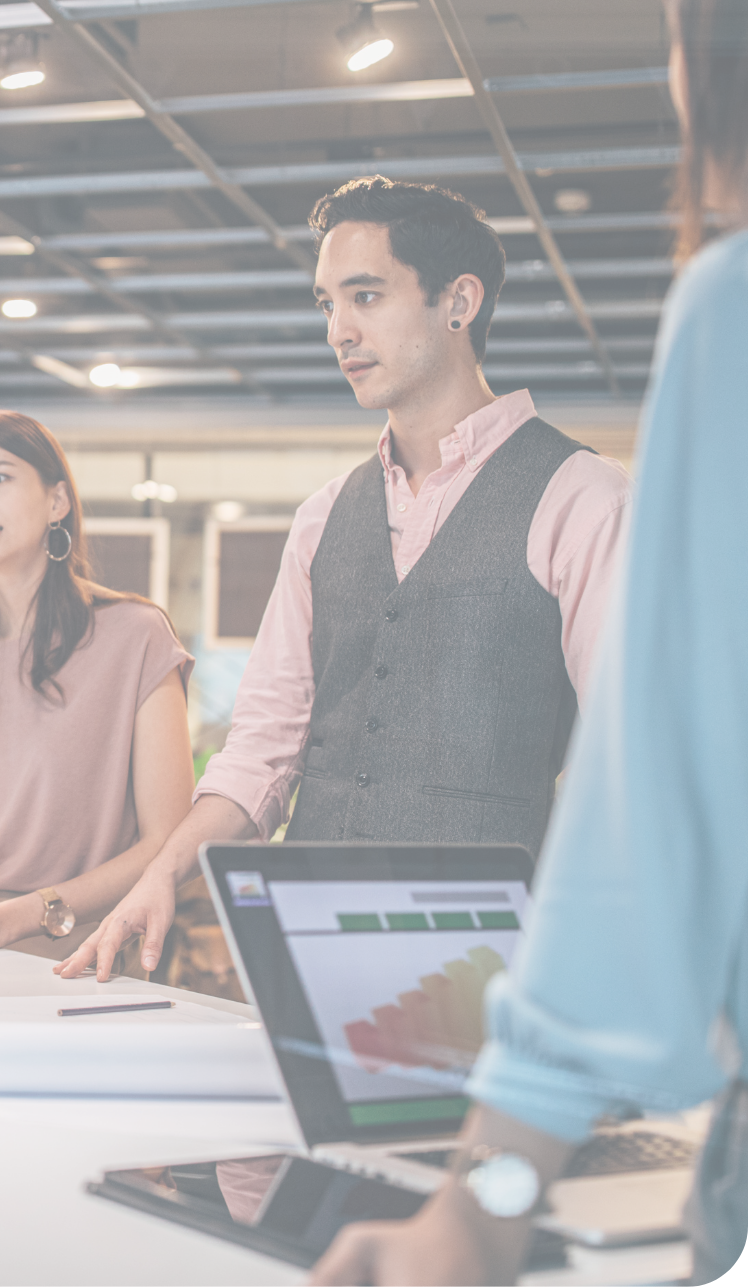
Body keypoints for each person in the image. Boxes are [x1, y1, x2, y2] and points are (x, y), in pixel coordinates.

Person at [311, 0, 748, 1287]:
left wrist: (484, 1202)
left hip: (482, 1025)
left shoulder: (711, 333)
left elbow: (647, 810)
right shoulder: (329, 508)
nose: (336, 326)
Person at [61, 176, 630, 984]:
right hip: (310, 946)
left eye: (365, 296)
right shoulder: (322, 517)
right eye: (327, 302)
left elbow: (626, 755)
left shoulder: (582, 496)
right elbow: (260, 750)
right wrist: (163, 871)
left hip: (489, 963)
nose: (338, 330)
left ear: (458, 302)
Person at [0, 411, 195, 959]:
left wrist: (11, 920)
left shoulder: (134, 635)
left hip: (75, 955)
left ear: (57, 502)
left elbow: (166, 844)